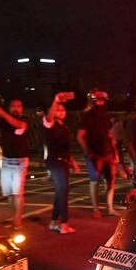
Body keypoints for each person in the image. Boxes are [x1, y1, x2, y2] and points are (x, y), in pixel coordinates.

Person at [0, 98, 30, 229]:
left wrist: (1, 112)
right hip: (5, 161)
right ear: (9, 107)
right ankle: (13, 217)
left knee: (17, 193)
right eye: (13, 106)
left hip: (19, 161)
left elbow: (18, 125)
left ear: (22, 109)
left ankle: (18, 220)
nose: (16, 108)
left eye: (19, 106)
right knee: (9, 193)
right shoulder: (3, 121)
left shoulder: (24, 120)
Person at [77, 89, 119, 218]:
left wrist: (115, 152)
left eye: (102, 100)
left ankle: (110, 208)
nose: (100, 102)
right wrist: (88, 152)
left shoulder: (105, 115)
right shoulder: (87, 115)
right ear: (92, 100)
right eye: (98, 100)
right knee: (94, 181)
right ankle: (96, 209)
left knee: (111, 181)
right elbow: (80, 136)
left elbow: (110, 135)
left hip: (107, 154)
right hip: (94, 155)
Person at [43, 92, 80, 234]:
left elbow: (66, 149)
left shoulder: (63, 127)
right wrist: (55, 100)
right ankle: (64, 224)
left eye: (63, 109)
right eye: (58, 109)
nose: (61, 111)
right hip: (56, 162)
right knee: (63, 192)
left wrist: (73, 162)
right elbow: (48, 117)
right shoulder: (51, 125)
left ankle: (53, 222)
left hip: (62, 162)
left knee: (60, 192)